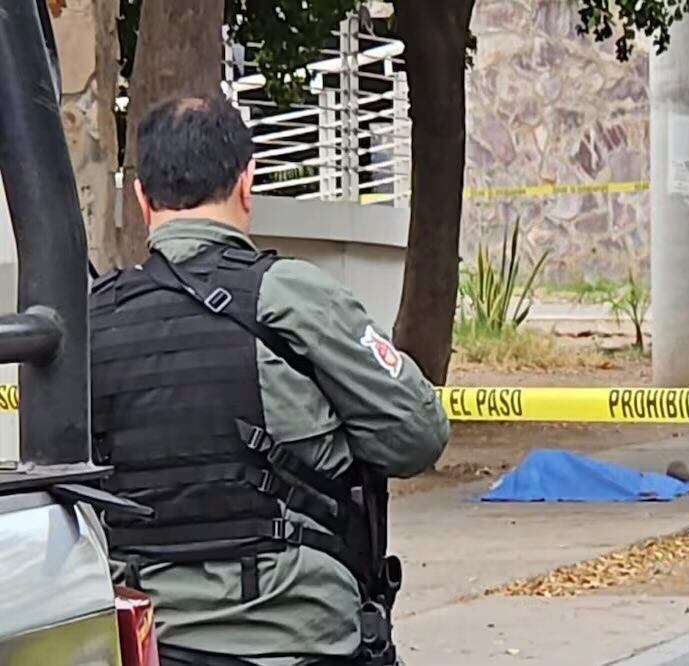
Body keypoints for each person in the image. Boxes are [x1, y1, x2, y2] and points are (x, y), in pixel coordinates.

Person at [88, 93, 449, 666]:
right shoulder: (291, 296)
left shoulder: (93, 319)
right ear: (246, 182)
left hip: (156, 642)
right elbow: (417, 435)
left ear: (140, 198)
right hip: (300, 637)